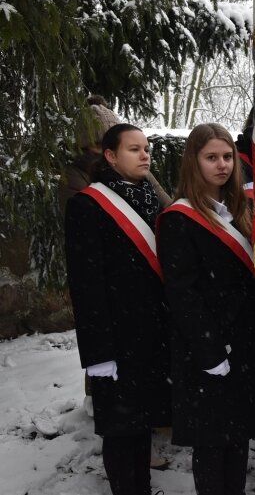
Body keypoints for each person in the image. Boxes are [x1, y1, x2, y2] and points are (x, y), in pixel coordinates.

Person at [157, 123, 255, 495]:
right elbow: (182, 293)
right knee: (212, 445)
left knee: (237, 440)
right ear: (193, 161)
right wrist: (209, 351)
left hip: (244, 344)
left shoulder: (240, 212)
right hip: (208, 350)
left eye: (227, 157)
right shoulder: (179, 218)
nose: (222, 165)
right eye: (211, 158)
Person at [64, 123, 171, 495]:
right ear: (110, 156)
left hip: (152, 335)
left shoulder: (151, 199)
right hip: (116, 337)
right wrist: (98, 353)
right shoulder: (87, 205)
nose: (145, 155)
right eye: (134, 149)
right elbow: (86, 285)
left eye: (146, 148)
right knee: (121, 429)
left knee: (142, 425)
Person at [60, 95, 171, 213]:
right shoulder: (74, 176)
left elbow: (169, 207)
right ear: (85, 146)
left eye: (114, 144)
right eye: (100, 145)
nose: (107, 151)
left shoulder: (136, 168)